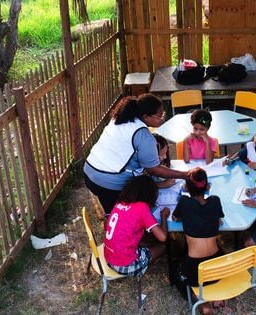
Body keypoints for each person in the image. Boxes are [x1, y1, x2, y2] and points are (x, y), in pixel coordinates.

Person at [84, 93, 192, 214]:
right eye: (160, 115)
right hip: (109, 186)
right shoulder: (143, 136)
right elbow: (154, 170)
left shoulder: (119, 118)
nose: (162, 118)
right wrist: (185, 175)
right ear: (146, 117)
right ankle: (115, 222)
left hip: (89, 173)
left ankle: (110, 214)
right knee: (130, 212)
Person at [172, 168, 224, 315]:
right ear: (208, 186)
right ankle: (217, 297)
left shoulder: (184, 202)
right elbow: (219, 219)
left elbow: (176, 218)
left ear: (186, 188)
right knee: (219, 251)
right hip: (217, 263)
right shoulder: (215, 200)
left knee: (175, 269)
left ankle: (204, 304)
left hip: (195, 266)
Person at [103, 175, 169, 277]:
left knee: (147, 239)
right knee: (165, 246)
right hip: (126, 265)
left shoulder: (120, 203)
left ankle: (144, 250)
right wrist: (164, 216)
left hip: (109, 257)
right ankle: (144, 262)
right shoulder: (142, 207)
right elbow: (163, 237)